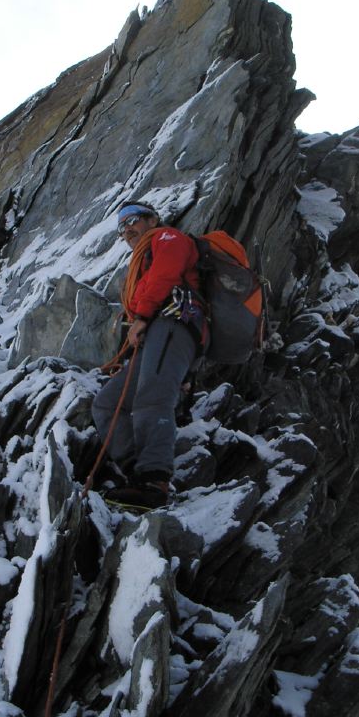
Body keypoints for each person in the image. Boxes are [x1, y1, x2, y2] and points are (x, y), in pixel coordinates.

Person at [91, 201, 208, 508]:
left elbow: (166, 274)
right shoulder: (142, 258)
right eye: (121, 226)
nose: (127, 229)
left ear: (152, 219)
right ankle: (137, 473)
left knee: (152, 397)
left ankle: (155, 480)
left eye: (132, 219)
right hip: (157, 332)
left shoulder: (166, 237)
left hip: (174, 321)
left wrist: (141, 317)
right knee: (107, 404)